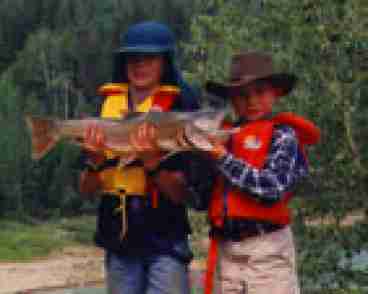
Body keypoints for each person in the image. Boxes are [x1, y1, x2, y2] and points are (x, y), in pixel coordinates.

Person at [79, 21, 199, 294]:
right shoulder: (107, 107)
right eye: (133, 58)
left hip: (166, 239)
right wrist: (95, 162)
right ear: (123, 63)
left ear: (164, 62)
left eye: (149, 58)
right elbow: (85, 190)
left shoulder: (182, 108)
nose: (139, 64)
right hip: (118, 239)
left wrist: (152, 163)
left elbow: (185, 195)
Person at [195, 52, 321, 294]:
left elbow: (272, 189)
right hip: (225, 251)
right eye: (242, 95)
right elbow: (201, 200)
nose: (251, 100)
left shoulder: (283, 135)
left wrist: (222, 158)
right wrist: (194, 155)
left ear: (276, 93)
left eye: (260, 92)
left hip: (268, 252)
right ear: (232, 99)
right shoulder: (220, 137)